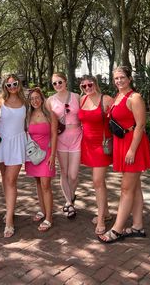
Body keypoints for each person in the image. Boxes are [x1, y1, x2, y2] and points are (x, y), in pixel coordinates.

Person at [99, 66, 150, 243]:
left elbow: (141, 125)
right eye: (116, 78)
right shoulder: (118, 96)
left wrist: (132, 149)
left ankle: (117, 229)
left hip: (133, 145)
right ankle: (138, 226)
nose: (119, 81)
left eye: (122, 77)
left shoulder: (135, 97)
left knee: (126, 189)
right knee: (135, 187)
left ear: (129, 79)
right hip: (123, 144)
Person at [78, 75, 113, 235]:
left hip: (102, 146)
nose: (87, 88)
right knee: (100, 182)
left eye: (89, 84)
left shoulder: (106, 99)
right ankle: (105, 213)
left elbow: (120, 117)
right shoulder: (82, 100)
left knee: (97, 181)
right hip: (87, 145)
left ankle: (100, 219)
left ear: (95, 84)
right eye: (84, 86)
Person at [0, 74, 27, 238]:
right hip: (2, 144)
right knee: (4, 179)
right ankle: (9, 211)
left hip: (18, 143)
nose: (13, 87)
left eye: (15, 84)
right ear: (5, 87)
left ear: (19, 84)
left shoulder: (25, 102)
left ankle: (9, 221)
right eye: (9, 85)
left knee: (11, 180)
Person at [47, 72, 82, 219]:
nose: (57, 85)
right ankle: (69, 203)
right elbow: (46, 119)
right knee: (64, 172)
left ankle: (71, 197)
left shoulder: (77, 97)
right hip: (61, 138)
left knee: (73, 175)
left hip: (77, 137)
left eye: (60, 82)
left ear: (66, 81)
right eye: (54, 83)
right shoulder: (50, 100)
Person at [25, 87, 57, 232]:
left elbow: (55, 136)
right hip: (33, 154)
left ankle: (49, 217)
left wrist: (52, 155)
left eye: (37, 98)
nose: (35, 101)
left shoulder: (50, 115)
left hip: (47, 152)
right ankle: (43, 210)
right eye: (32, 99)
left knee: (46, 184)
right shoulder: (28, 115)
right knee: (38, 182)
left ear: (42, 98)